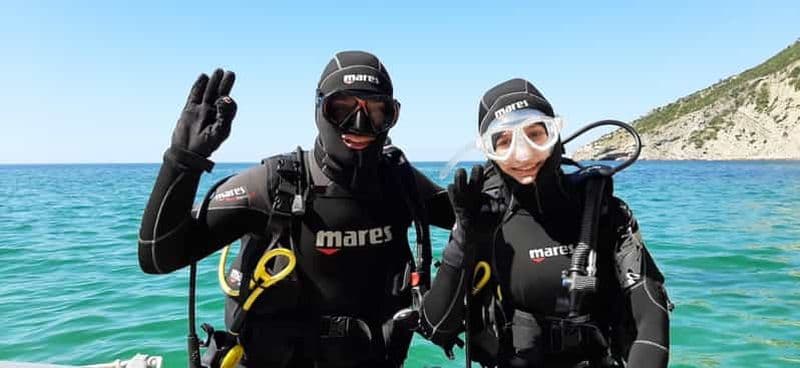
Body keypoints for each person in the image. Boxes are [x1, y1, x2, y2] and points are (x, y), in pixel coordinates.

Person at [137, 51, 453, 368]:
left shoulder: (400, 183)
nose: (359, 124)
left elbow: (474, 214)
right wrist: (183, 160)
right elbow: (158, 256)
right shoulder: (275, 184)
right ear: (319, 109)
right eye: (341, 108)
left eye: (376, 111)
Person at [419, 78, 671, 367]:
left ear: (555, 134)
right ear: (488, 151)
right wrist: (463, 239)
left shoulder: (601, 211)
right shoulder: (484, 218)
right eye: (504, 141)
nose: (523, 155)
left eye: (535, 135)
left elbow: (651, 316)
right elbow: (435, 327)